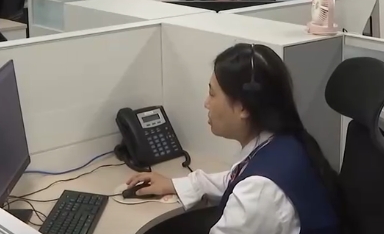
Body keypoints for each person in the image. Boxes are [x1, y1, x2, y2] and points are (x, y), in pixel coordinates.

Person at [125, 44, 344, 234]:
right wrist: (176, 184)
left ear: (243, 107)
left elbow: (251, 188)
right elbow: (234, 178)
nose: (206, 103)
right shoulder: (283, 142)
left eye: (212, 94)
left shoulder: (259, 191)